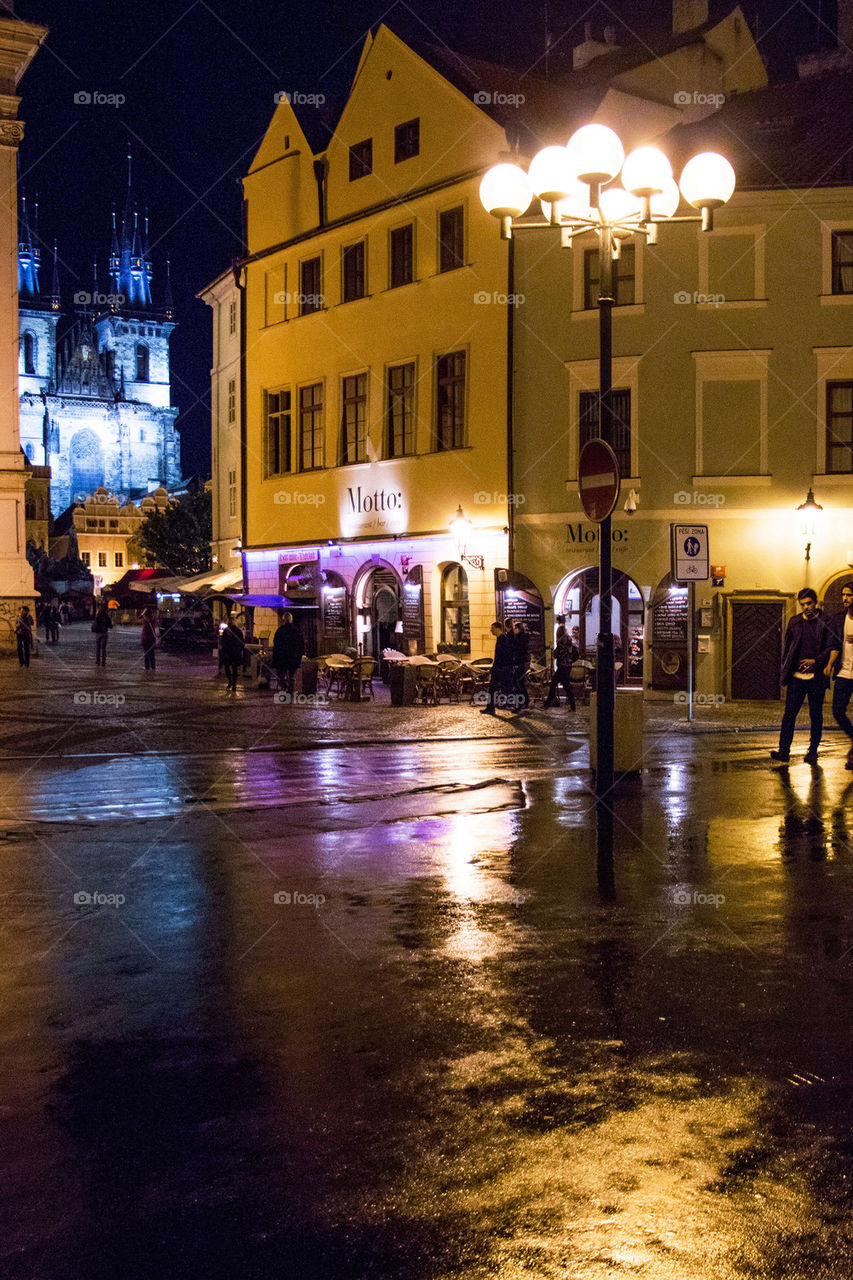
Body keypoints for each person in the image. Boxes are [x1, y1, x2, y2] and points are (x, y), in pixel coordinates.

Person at [771, 587, 837, 765]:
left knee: (816, 715)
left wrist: (815, 661)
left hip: (816, 678)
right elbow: (788, 648)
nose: (806, 607)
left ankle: (813, 751)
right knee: (789, 714)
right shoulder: (794, 622)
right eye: (803, 605)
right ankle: (784, 751)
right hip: (796, 677)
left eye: (809, 603)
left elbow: (831, 647)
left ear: (815, 603)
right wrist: (785, 671)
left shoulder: (826, 622)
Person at [829, 581, 853, 769]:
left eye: (849, 595)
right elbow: (833, 644)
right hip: (844, 673)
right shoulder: (838, 619)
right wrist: (829, 664)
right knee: (837, 710)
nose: (845, 598)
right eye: (844, 595)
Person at [480, 621, 514, 715]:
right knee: (494, 688)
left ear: (498, 628)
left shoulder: (503, 639)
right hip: (500, 668)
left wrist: (497, 668)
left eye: (492, 628)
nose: (491, 630)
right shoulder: (501, 639)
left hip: (500, 669)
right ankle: (491, 707)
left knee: (500, 688)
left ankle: (493, 707)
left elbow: (502, 656)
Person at [544, 624, 579, 710]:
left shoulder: (561, 642)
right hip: (567, 666)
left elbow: (557, 655)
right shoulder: (569, 641)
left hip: (562, 667)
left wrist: (554, 653)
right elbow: (575, 655)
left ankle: (547, 704)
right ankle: (572, 706)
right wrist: (571, 661)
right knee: (564, 686)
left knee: (555, 684)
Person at [272, 610, 305, 696]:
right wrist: (300, 655)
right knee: (291, 676)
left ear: (283, 620)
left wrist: (275, 656)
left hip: (282, 658)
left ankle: (284, 687)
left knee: (281, 676)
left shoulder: (279, 631)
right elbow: (301, 645)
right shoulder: (296, 631)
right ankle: (291, 690)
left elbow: (276, 645)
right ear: (291, 619)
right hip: (293, 658)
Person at [219, 617, 245, 691]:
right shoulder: (237, 631)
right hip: (234, 652)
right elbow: (242, 642)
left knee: (228, 667)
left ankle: (231, 682)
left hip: (229, 652)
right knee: (234, 669)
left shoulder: (227, 631)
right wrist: (239, 649)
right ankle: (233, 683)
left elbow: (223, 642)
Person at [511, 620, 530, 711]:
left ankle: (519, 703)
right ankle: (525, 701)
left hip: (520, 664)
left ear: (518, 629)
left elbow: (519, 652)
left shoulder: (520, 639)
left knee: (517, 684)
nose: (513, 629)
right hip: (520, 663)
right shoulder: (520, 637)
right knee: (520, 684)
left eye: (514, 628)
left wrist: (516, 663)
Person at [92, 601, 112, 667]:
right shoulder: (107, 616)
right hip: (104, 633)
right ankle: (103, 661)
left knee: (98, 648)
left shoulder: (97, 616)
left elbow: (94, 624)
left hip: (98, 633)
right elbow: (110, 626)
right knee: (103, 648)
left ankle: (98, 661)